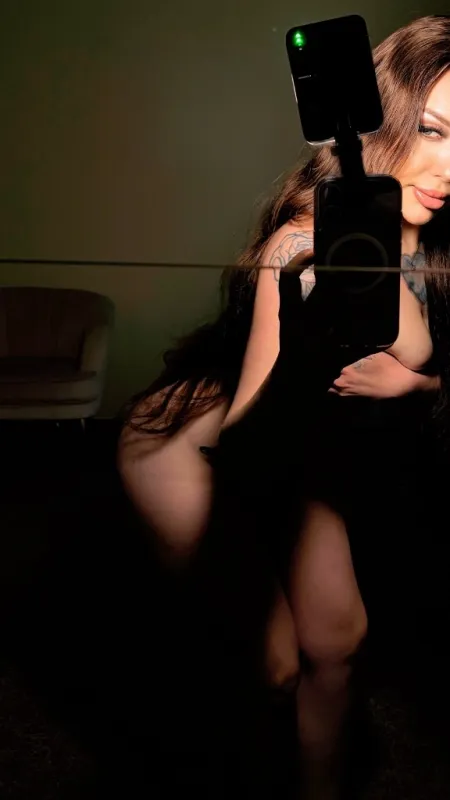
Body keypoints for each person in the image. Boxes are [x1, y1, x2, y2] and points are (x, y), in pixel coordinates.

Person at [118, 16, 450, 800]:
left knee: (338, 643)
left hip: (309, 451)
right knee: (271, 662)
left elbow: (419, 359)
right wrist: (305, 364)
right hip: (192, 449)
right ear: (376, 117)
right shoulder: (304, 248)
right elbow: (248, 441)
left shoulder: (421, 238)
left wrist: (421, 388)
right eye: (433, 130)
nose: (449, 166)